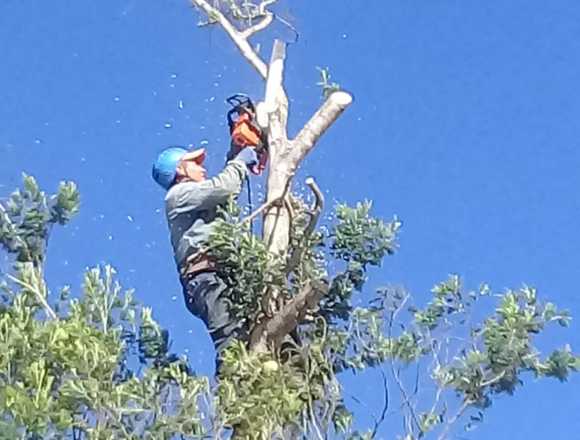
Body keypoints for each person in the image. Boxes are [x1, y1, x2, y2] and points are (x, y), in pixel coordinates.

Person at [152, 145, 259, 368]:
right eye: (195, 163)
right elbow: (224, 188)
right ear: (180, 170)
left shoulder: (196, 197)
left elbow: (221, 192)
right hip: (205, 277)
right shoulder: (178, 195)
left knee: (254, 329)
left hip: (221, 274)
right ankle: (231, 397)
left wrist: (236, 155)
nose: (202, 168)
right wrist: (238, 163)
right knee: (231, 340)